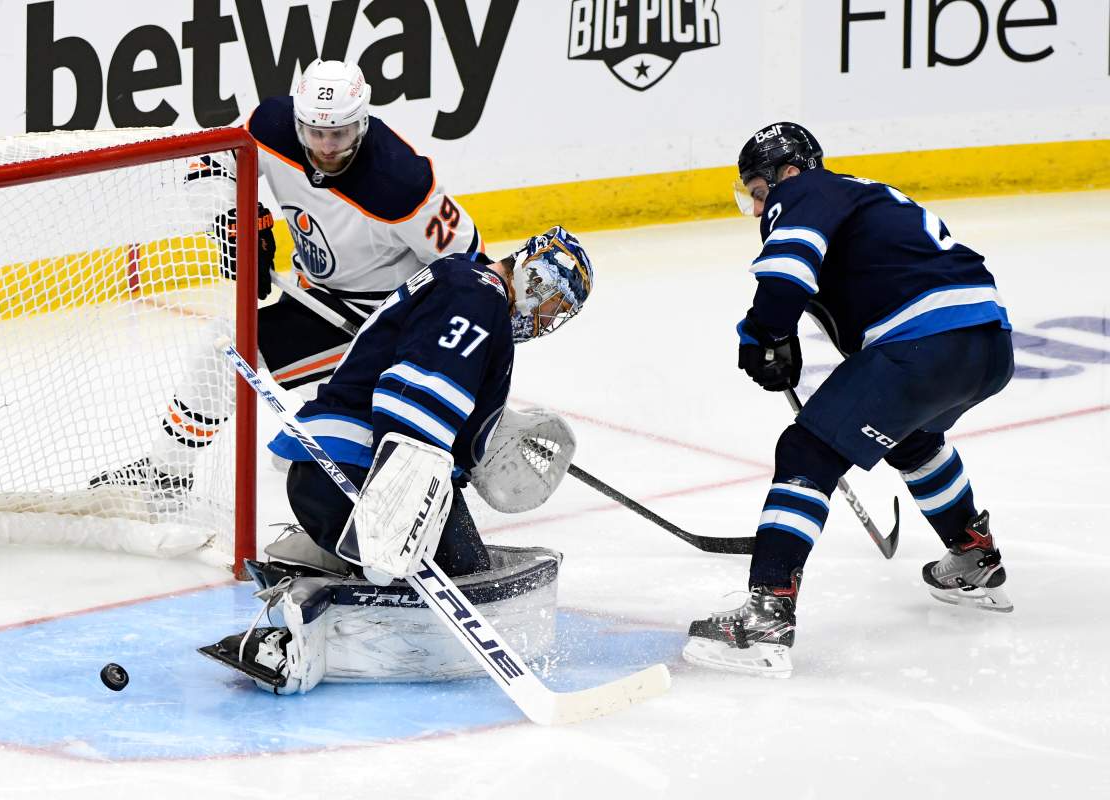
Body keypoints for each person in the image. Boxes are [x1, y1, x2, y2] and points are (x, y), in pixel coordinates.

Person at [683, 122, 1015, 678]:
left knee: (806, 454)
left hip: (924, 343)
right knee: (913, 439)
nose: (760, 205)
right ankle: (974, 556)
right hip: (987, 344)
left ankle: (766, 616)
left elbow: (787, 276)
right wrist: (773, 336)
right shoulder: (858, 198)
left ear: (787, 171)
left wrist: (764, 335)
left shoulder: (804, 190)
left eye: (758, 189)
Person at [200, 225, 594, 694]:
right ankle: (295, 622)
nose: (548, 318)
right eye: (553, 302)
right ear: (535, 276)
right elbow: (413, 396)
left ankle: (322, 558)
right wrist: (397, 508)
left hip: (345, 469)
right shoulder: (478, 300)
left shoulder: (464, 280)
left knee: (467, 568)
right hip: (358, 471)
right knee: (468, 582)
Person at [91, 58, 482, 492]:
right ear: (297, 120)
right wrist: (229, 219)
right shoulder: (272, 126)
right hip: (314, 298)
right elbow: (212, 162)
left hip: (381, 320)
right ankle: (168, 475)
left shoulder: (401, 184)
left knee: (247, 379)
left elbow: (469, 266)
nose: (327, 146)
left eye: (340, 133)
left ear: (363, 122)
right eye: (315, 132)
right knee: (228, 358)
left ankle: (440, 457)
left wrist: (437, 345)